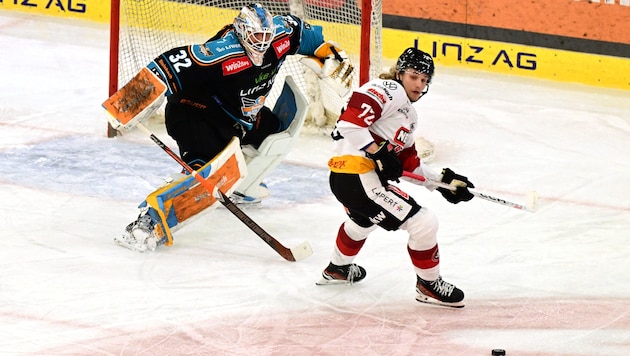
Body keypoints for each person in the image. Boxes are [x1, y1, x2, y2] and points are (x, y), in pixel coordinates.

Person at [113, 3, 354, 252]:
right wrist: (124, 104)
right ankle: (147, 223)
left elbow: (310, 37)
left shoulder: (281, 34)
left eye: (266, 36)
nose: (262, 43)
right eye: (255, 36)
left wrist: (329, 52)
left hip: (239, 116)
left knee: (279, 132)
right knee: (205, 174)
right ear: (241, 31)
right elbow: (166, 64)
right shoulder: (221, 52)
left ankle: (242, 187)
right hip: (197, 114)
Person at [316, 47, 475, 308]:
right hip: (356, 175)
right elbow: (350, 125)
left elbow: (408, 165)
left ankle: (338, 269)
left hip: (353, 179)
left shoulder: (407, 115)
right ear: (399, 73)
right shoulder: (388, 89)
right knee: (424, 223)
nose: (419, 84)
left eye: (425, 80)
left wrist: (445, 183)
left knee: (364, 220)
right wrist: (376, 150)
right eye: (414, 76)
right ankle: (428, 285)